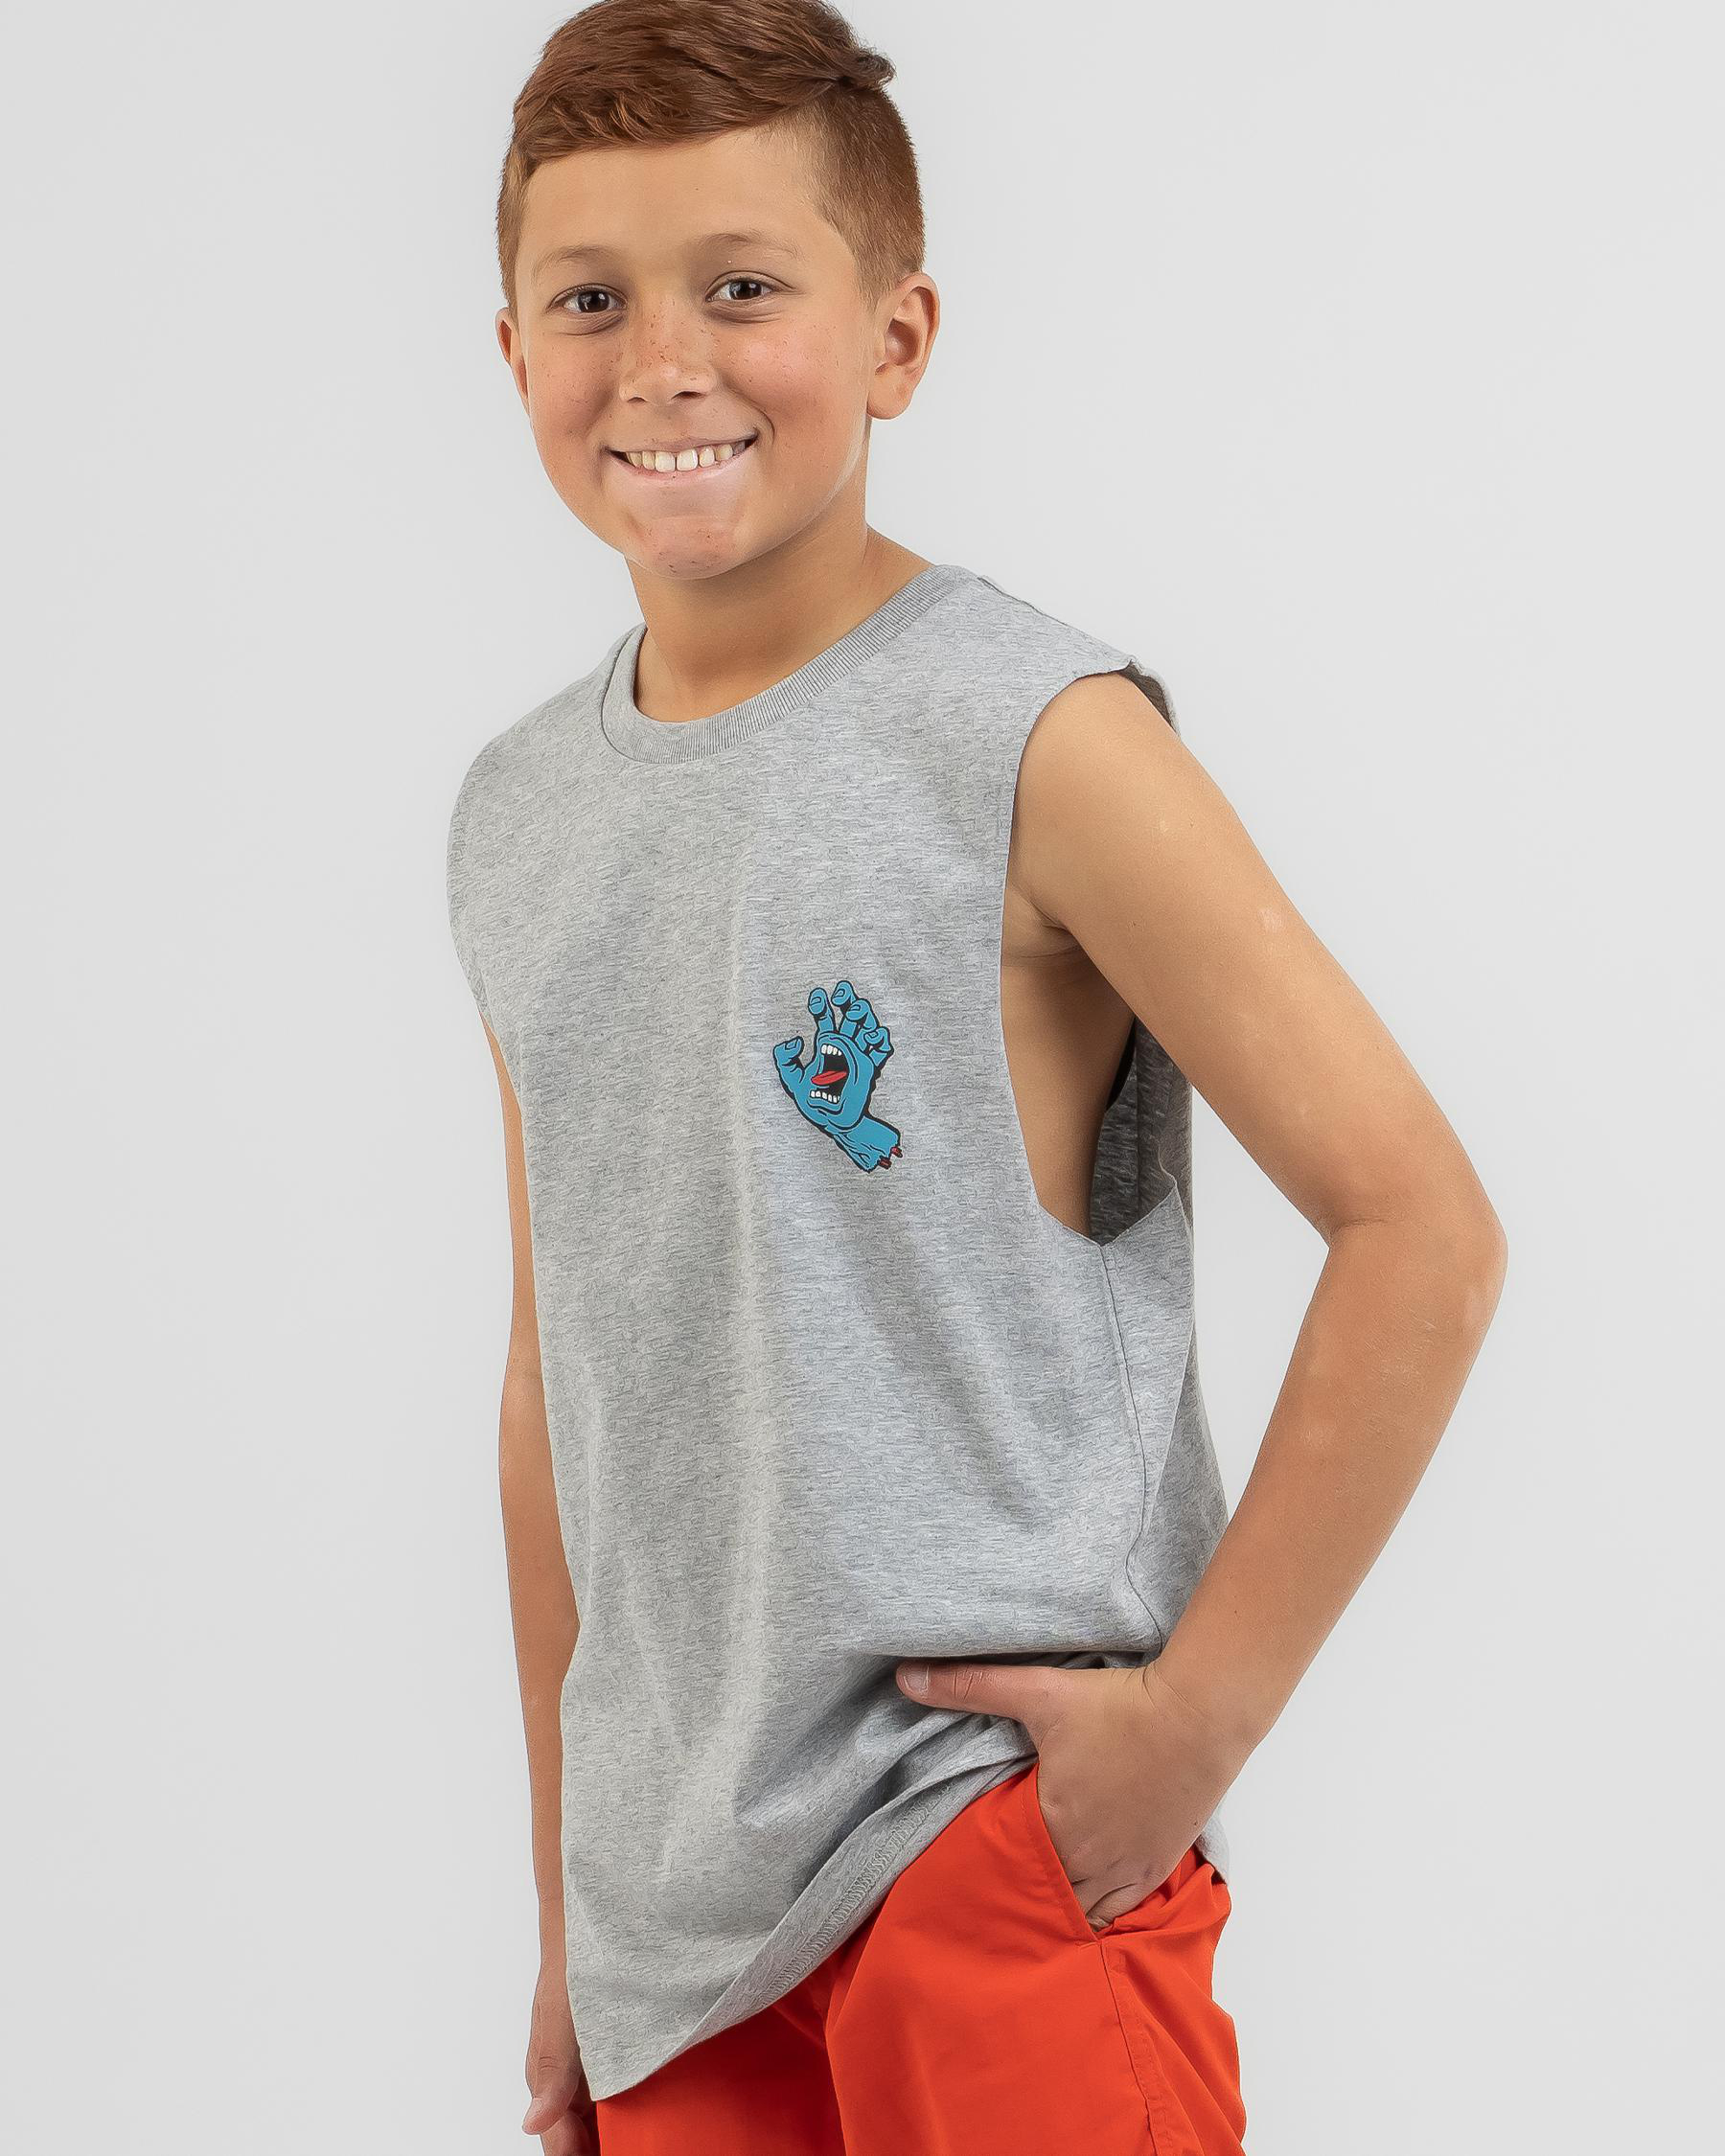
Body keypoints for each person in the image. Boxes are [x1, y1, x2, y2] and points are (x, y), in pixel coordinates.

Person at [444, 3, 1508, 2149]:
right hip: (676, 1932)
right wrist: (571, 1910)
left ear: (898, 337)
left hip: (985, 1841)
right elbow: (558, 1384)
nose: (663, 360)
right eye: (592, 299)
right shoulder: (517, 816)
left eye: (744, 285)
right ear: (513, 350)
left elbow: (1421, 1226)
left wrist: (1191, 1726)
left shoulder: (1037, 735)